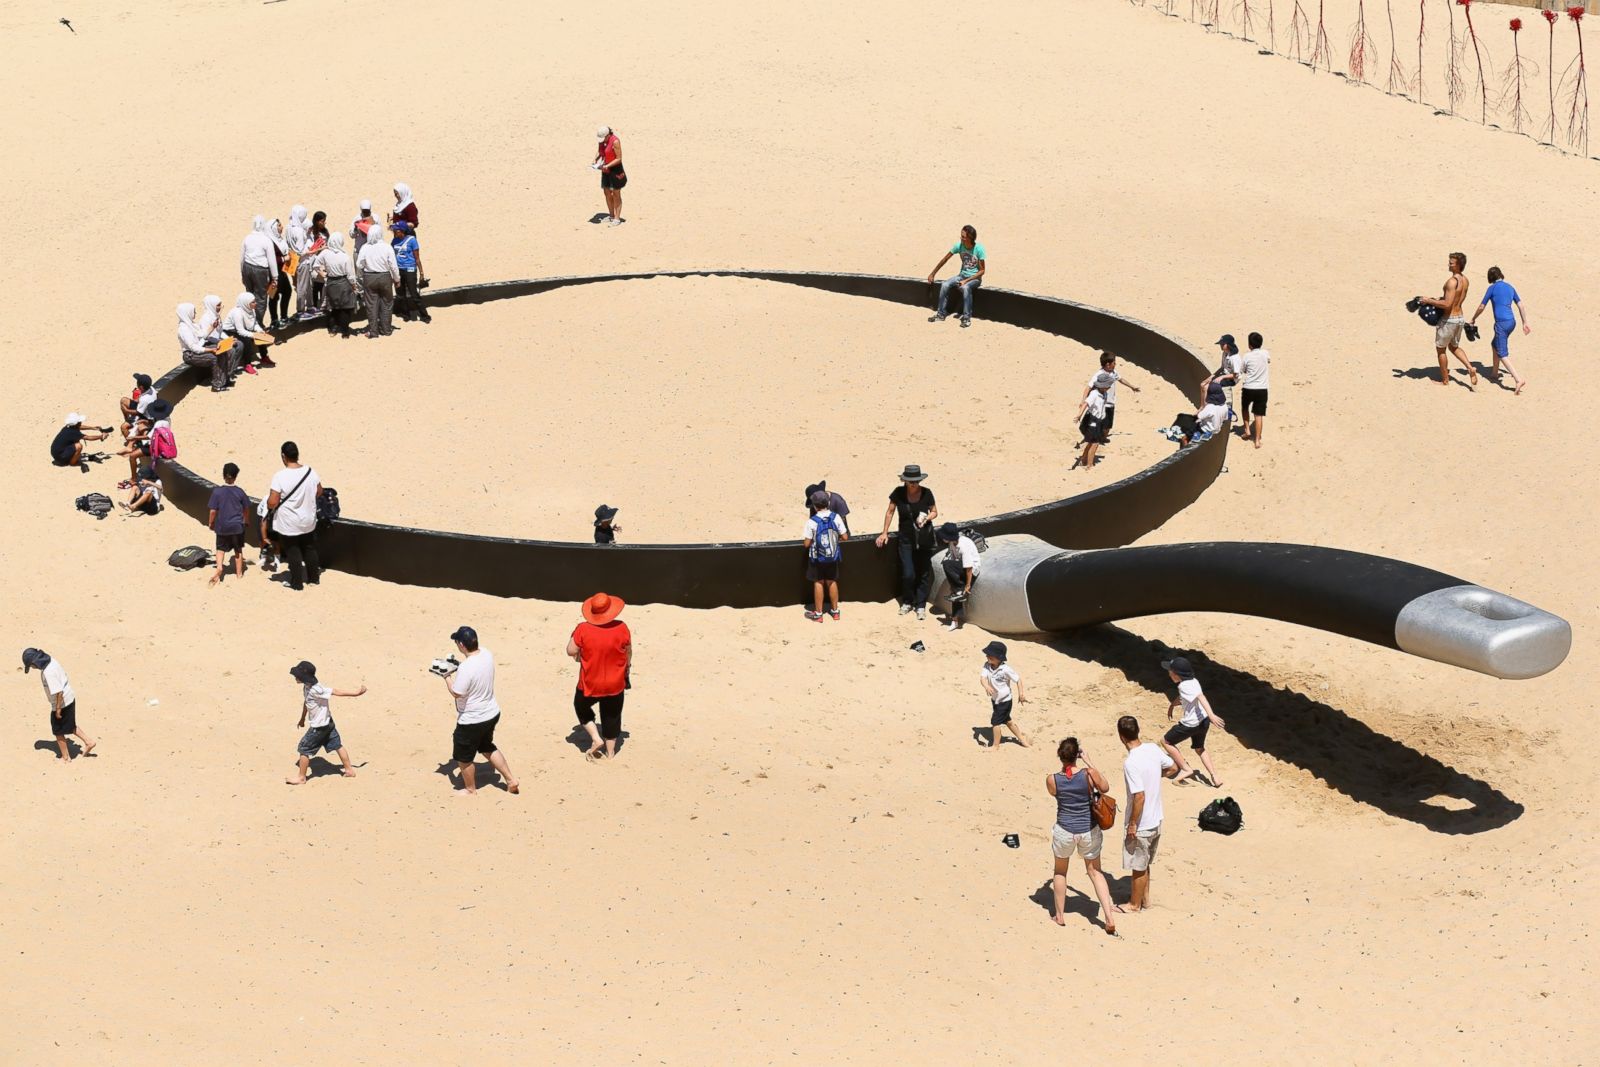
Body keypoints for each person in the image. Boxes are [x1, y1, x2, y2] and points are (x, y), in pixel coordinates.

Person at [1045, 737, 1119, 934]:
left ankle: (1060, 915)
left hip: (1065, 830)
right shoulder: (1088, 774)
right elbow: (1105, 787)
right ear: (1077, 754)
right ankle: (1109, 916)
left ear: (1060, 756)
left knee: (1060, 872)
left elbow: (1055, 793)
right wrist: (1089, 763)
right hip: (1088, 829)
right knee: (1095, 872)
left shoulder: (1052, 779)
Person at [443, 626, 519, 794]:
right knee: (486, 746)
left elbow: (457, 692)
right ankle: (511, 779)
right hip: (491, 713)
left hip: (472, 720)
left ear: (462, 645)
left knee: (463, 758)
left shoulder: (466, 668)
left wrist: (446, 677)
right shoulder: (486, 653)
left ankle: (470, 790)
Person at [1119, 715, 1177, 912]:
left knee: (1138, 865)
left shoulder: (1131, 762)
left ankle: (1134, 905)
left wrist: (1132, 823)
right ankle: (1145, 899)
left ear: (1121, 736)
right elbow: (1173, 767)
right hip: (1156, 818)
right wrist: (1155, 775)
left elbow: (1139, 797)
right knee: (1145, 863)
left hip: (1142, 823)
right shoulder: (1152, 748)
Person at [567, 593, 633, 760]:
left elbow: (570, 651)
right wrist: (628, 667)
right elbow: (628, 651)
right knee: (612, 714)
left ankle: (596, 738)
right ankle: (610, 754)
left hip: (590, 682)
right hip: (615, 681)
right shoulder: (622, 627)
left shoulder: (583, 628)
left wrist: (579, 651)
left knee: (581, 706)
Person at [875, 464, 938, 619]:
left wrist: (926, 517)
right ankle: (908, 601)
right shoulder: (898, 493)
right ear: (905, 481)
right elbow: (890, 512)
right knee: (908, 573)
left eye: (916, 481)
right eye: (911, 481)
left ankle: (921, 605)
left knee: (923, 573)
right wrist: (884, 532)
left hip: (924, 539)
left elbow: (935, 512)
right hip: (906, 539)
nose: (914, 484)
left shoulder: (927, 493)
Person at [286, 660, 365, 785]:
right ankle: (349, 770)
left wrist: (356, 693)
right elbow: (307, 704)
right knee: (337, 745)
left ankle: (301, 777)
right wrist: (302, 719)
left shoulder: (316, 689)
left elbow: (336, 691)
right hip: (328, 723)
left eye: (297, 675)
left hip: (319, 727)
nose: (295, 677)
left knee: (304, 749)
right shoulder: (306, 687)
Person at [1159, 655, 1227, 788]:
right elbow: (1186, 697)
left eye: (1170, 671)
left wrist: (1212, 714)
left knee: (1165, 741)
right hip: (1203, 722)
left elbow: (1201, 697)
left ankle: (1185, 769)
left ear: (1176, 675)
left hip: (1190, 725)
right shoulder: (1193, 681)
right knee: (1199, 748)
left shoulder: (1183, 686)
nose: (1168, 673)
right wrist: (1173, 704)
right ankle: (1215, 777)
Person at [262, 441, 322, 591]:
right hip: (308, 519)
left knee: (293, 550)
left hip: (289, 523)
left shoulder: (280, 476)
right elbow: (319, 491)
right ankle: (314, 579)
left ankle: (297, 583)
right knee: (309, 548)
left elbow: (273, 501)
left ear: (284, 456)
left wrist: (269, 503)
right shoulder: (310, 471)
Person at [24, 648, 96, 762]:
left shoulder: (48, 672)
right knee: (70, 724)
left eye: (31, 665)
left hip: (62, 703)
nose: (32, 668)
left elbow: (58, 692)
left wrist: (57, 709)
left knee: (57, 730)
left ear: (35, 662)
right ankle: (89, 742)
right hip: (70, 697)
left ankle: (65, 757)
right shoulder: (50, 660)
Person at [1418, 252, 1477, 387]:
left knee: (1441, 349)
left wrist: (1429, 300)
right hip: (1460, 318)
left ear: (1458, 265)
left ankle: (1445, 380)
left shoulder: (1452, 282)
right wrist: (1438, 299)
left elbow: (1447, 304)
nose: (1449, 264)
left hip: (1448, 320)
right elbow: (1454, 299)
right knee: (1454, 346)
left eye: (1451, 263)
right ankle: (1470, 367)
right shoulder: (1465, 280)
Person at [1470, 266, 1531, 394]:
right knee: (1494, 344)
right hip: (1511, 322)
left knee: (1502, 353)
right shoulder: (1510, 287)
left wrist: (1473, 318)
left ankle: (1518, 379)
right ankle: (1494, 373)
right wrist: (1525, 322)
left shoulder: (1491, 288)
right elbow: (1520, 305)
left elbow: (1482, 306)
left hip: (1501, 324)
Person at [926, 224, 986, 327]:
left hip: (975, 279)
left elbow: (982, 271)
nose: (961, 238)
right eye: (961, 236)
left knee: (966, 288)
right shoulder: (959, 246)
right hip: (962, 275)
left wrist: (966, 281)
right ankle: (941, 314)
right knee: (945, 285)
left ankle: (966, 318)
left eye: (963, 237)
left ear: (970, 238)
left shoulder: (979, 249)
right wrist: (933, 273)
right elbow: (945, 259)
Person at [803, 490, 847, 621]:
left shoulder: (812, 521)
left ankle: (818, 614)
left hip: (817, 558)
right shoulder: (836, 517)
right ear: (828, 503)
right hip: (832, 556)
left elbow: (806, 544)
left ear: (815, 506)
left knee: (818, 582)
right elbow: (845, 536)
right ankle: (835, 611)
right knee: (832, 581)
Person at [979, 640, 1029, 751]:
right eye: (987, 654)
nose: (987, 656)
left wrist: (1021, 694)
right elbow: (982, 678)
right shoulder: (987, 666)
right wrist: (986, 686)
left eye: (990, 655)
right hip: (995, 700)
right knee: (1008, 721)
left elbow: (1018, 679)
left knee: (995, 722)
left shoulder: (1005, 669)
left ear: (999, 658)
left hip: (1005, 701)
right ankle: (1022, 738)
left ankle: (995, 746)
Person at [207, 461, 251, 586]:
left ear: (223, 475)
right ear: (236, 476)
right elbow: (246, 509)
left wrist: (211, 523)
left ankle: (220, 567)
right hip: (237, 526)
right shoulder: (240, 492)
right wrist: (246, 520)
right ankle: (239, 574)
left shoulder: (217, 492)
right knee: (238, 551)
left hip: (222, 526)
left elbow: (213, 511)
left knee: (220, 549)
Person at [177, 302, 236, 392]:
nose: (195, 313)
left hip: (198, 349)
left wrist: (212, 327)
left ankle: (225, 380)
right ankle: (217, 385)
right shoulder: (184, 329)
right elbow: (193, 347)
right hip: (190, 355)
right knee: (215, 358)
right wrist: (210, 350)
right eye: (193, 311)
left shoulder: (191, 325)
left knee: (224, 351)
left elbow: (202, 335)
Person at [1081, 351, 1140, 439]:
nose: (1115, 364)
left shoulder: (1113, 372)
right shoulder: (1099, 375)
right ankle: (1095, 439)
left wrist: (1132, 387)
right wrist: (1083, 400)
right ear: (1108, 364)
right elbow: (1088, 387)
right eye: (1114, 362)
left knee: (1107, 426)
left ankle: (1101, 438)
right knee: (1097, 423)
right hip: (1101, 404)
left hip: (1111, 403)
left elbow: (1121, 380)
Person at [356, 222, 400, 338]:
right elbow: (393, 266)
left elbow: (359, 264)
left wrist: (362, 274)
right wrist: (397, 279)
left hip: (369, 277)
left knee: (371, 305)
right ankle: (386, 329)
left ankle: (373, 331)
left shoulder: (365, 247)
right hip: (385, 276)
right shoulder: (387, 247)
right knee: (387, 303)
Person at [316, 232, 360, 338]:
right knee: (345, 308)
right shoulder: (345, 256)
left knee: (332, 307)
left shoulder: (325, 253)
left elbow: (315, 265)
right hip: (343, 283)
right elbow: (350, 275)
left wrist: (324, 275)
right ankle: (345, 332)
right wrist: (354, 286)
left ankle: (332, 329)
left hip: (331, 282)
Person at [938, 522, 981, 630]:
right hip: (961, 566)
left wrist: (967, 585)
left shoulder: (963, 546)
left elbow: (969, 568)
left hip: (972, 570)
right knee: (956, 592)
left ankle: (959, 590)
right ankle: (955, 621)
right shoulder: (952, 543)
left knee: (957, 587)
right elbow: (954, 559)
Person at [239, 215, 278, 328]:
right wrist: (275, 277)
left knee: (249, 295)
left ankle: (248, 321)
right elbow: (272, 260)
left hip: (247, 268)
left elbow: (241, 257)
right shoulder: (266, 240)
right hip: (260, 271)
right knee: (261, 298)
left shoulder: (247, 238)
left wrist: (242, 272)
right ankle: (258, 323)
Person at [223, 292, 275, 371]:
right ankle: (247, 364)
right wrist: (254, 335)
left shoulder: (251, 310)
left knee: (261, 336)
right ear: (246, 303)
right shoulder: (237, 313)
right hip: (230, 332)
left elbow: (254, 324)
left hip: (242, 330)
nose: (256, 303)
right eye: (253, 302)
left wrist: (260, 331)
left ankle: (264, 357)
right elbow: (240, 331)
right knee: (246, 341)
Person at [391, 222, 431, 323]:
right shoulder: (394, 241)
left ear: (403, 231)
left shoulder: (412, 240)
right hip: (399, 269)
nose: (395, 232)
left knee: (414, 294)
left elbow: (417, 258)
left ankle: (424, 315)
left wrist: (421, 273)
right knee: (401, 294)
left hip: (410, 270)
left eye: (397, 230)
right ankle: (406, 314)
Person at [1075, 372, 1114, 470]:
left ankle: (1083, 460)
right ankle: (1089, 465)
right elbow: (1086, 404)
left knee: (1091, 442)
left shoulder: (1104, 393)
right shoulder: (1094, 394)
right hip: (1092, 421)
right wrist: (1079, 415)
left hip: (1099, 420)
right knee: (1095, 443)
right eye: (1108, 385)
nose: (1109, 387)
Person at [1238, 332, 1270, 449]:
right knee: (1258, 415)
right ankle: (1257, 440)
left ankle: (1247, 430)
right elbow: (1268, 360)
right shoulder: (1265, 353)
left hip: (1249, 387)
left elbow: (1243, 370)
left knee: (1245, 408)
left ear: (1249, 345)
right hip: (1262, 389)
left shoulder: (1246, 356)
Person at [594, 126, 626, 226]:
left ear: (608, 135)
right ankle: (611, 215)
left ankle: (617, 218)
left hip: (615, 170)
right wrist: (596, 160)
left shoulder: (615, 141)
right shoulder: (602, 141)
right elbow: (600, 152)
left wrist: (608, 165)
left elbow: (619, 158)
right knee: (607, 192)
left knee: (616, 194)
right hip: (605, 169)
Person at [266, 216, 292, 328]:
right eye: (279, 225)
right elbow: (269, 258)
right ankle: (275, 320)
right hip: (273, 274)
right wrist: (283, 259)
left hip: (281, 272)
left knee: (287, 292)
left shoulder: (279, 239)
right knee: (273, 296)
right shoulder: (269, 242)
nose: (282, 227)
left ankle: (283, 317)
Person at [1207, 334, 1242, 413]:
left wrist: (1222, 377)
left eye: (1222, 344)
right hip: (1225, 374)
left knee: (1213, 385)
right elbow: (1222, 367)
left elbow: (1236, 375)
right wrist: (1212, 376)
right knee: (1207, 384)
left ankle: (1226, 405)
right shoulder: (1224, 353)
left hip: (1232, 379)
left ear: (1228, 344)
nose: (1221, 345)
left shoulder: (1234, 358)